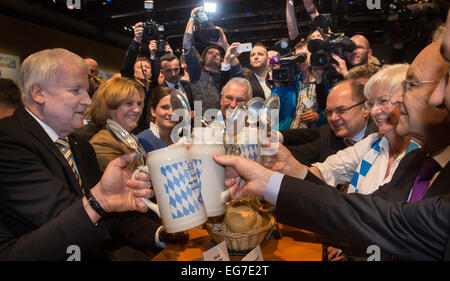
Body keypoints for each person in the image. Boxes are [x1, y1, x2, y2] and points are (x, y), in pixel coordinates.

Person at [213, 34, 450, 260]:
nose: (397, 101)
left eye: (412, 85)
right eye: (373, 102)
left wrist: (270, 182)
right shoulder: (413, 161)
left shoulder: (424, 167)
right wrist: (280, 176)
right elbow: (362, 214)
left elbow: (380, 222)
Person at [0, 48, 162, 260]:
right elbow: (62, 214)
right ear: (38, 93)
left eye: (86, 90)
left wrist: (162, 235)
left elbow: (110, 217)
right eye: (76, 90)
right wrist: (102, 200)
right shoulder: (8, 140)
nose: (88, 100)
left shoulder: (80, 146)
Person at [308, 64, 418, 194]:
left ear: (407, 101)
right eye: (371, 104)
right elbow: (325, 171)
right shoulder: (372, 143)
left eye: (383, 101)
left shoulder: (422, 155)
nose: (374, 111)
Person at [284, 79, 378, 166]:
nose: (333, 118)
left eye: (341, 110)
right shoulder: (328, 134)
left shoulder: (381, 141)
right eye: (329, 112)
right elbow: (302, 153)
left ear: (366, 108)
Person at [183, 6, 243, 114]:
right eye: (210, 53)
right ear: (203, 57)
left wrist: (226, 46)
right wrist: (192, 17)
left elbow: (239, 76)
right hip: (203, 124)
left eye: (217, 54)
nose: (214, 55)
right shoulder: (197, 73)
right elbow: (188, 50)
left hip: (228, 120)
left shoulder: (225, 74)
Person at [89, 77, 145, 173]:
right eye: (129, 103)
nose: (137, 110)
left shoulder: (130, 140)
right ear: (108, 106)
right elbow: (129, 183)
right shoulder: (102, 142)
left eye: (139, 104)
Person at [138, 87, 178, 153]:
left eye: (176, 108)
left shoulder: (181, 140)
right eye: (165, 107)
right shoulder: (142, 141)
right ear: (153, 111)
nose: (171, 113)